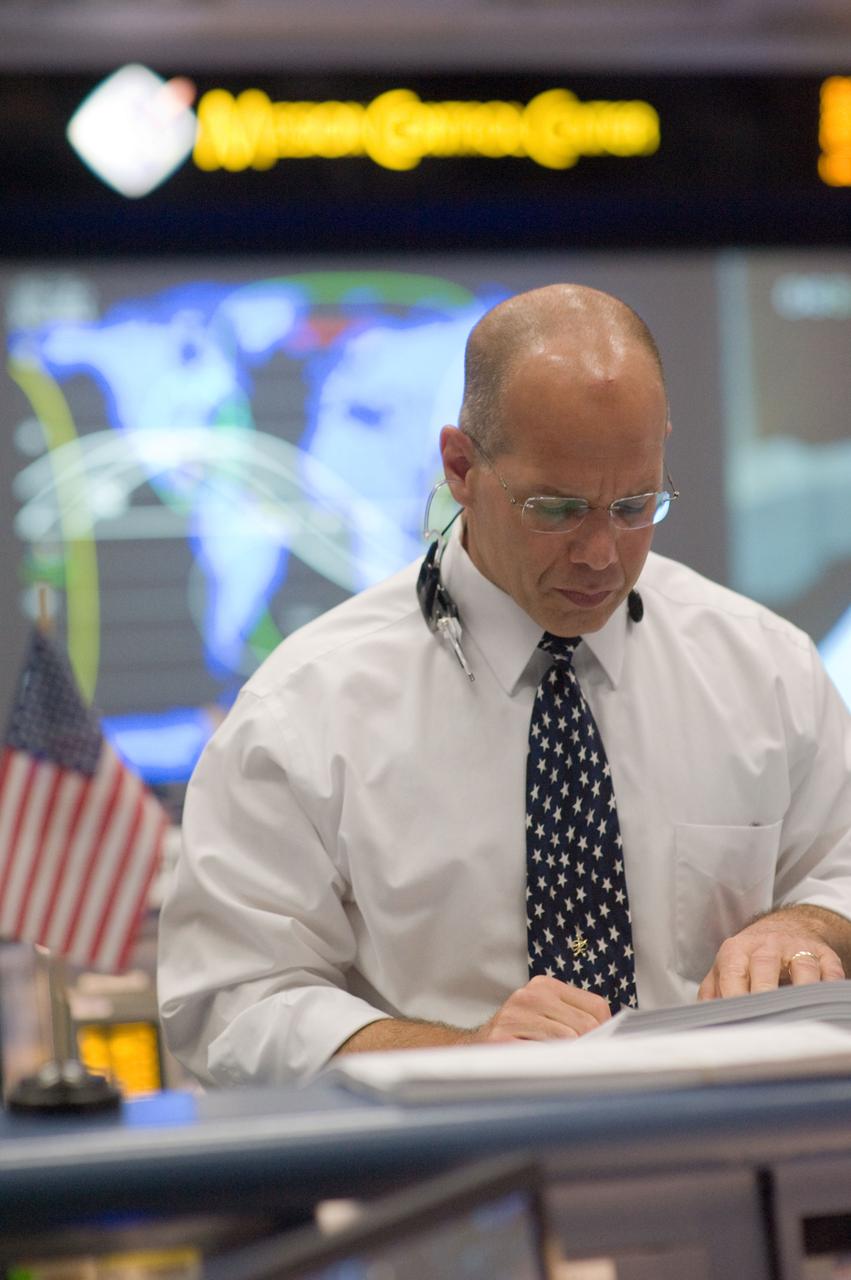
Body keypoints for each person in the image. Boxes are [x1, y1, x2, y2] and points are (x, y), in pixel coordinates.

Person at [157, 284, 851, 1087]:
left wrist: (807, 924)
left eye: (633, 505)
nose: (600, 553)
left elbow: (838, 862)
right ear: (459, 466)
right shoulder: (305, 710)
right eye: (555, 510)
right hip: (449, 1189)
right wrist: (458, 1058)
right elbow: (228, 1005)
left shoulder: (762, 667)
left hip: (732, 1173)